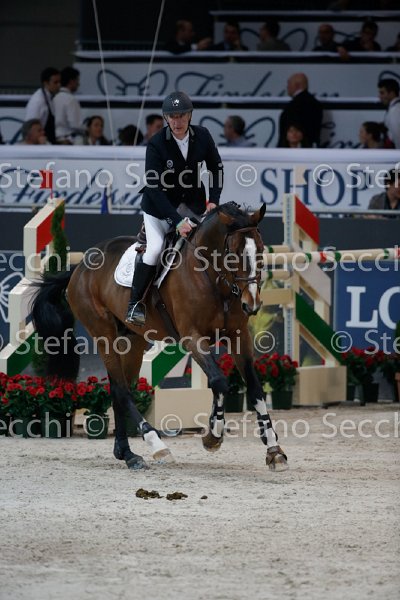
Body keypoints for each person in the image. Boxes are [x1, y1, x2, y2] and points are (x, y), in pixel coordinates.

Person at [125, 91, 223, 325]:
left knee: (211, 244)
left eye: (181, 116)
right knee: (155, 249)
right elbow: (154, 187)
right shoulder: (157, 143)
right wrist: (176, 221)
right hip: (160, 208)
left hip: (193, 205)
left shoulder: (202, 136)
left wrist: (213, 199)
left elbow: (216, 168)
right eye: (172, 117)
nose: (177, 121)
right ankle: (135, 304)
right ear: (166, 118)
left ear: (190, 116)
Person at [278, 73, 323, 147]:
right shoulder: (316, 104)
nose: (287, 87)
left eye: (289, 83)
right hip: (312, 150)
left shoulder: (292, 106)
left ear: (297, 85)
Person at [25, 67, 61, 144]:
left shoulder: (50, 98)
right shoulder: (38, 101)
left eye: (59, 82)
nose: (59, 85)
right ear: (46, 83)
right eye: (55, 82)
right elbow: (31, 127)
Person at [54, 66, 83, 144]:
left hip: (54, 138)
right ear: (71, 81)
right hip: (67, 140)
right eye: (77, 80)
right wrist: (87, 129)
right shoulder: (71, 99)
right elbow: (76, 125)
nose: (78, 84)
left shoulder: (54, 97)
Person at [378, 78, 400, 148]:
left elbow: (397, 134)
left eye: (382, 93)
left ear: (391, 93)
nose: (379, 97)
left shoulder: (395, 110)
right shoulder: (394, 108)